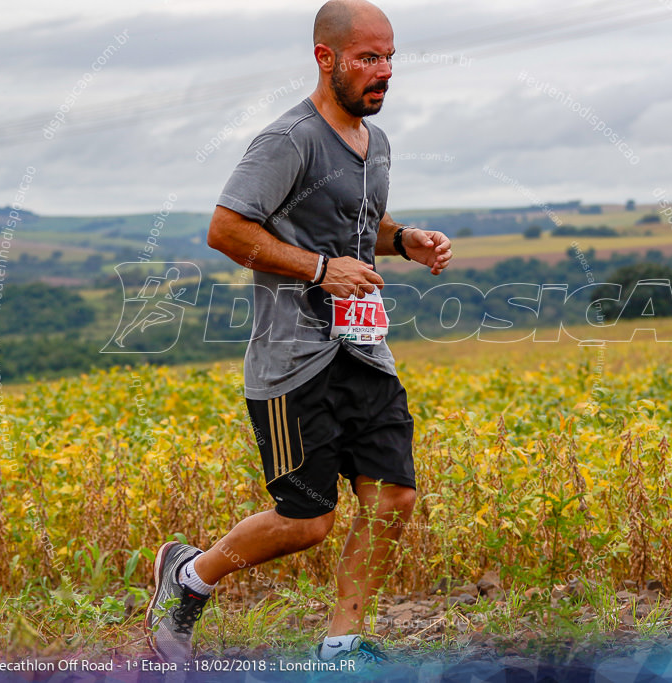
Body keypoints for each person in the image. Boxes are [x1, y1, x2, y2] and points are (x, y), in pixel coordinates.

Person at [144, 0, 452, 665]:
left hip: (364, 350)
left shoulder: (377, 143)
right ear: (326, 58)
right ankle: (189, 576)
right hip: (293, 360)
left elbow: (352, 219)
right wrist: (319, 269)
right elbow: (226, 229)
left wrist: (404, 239)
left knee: (392, 496)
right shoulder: (289, 140)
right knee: (306, 521)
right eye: (369, 57)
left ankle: (340, 644)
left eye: (390, 57)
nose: (385, 72)